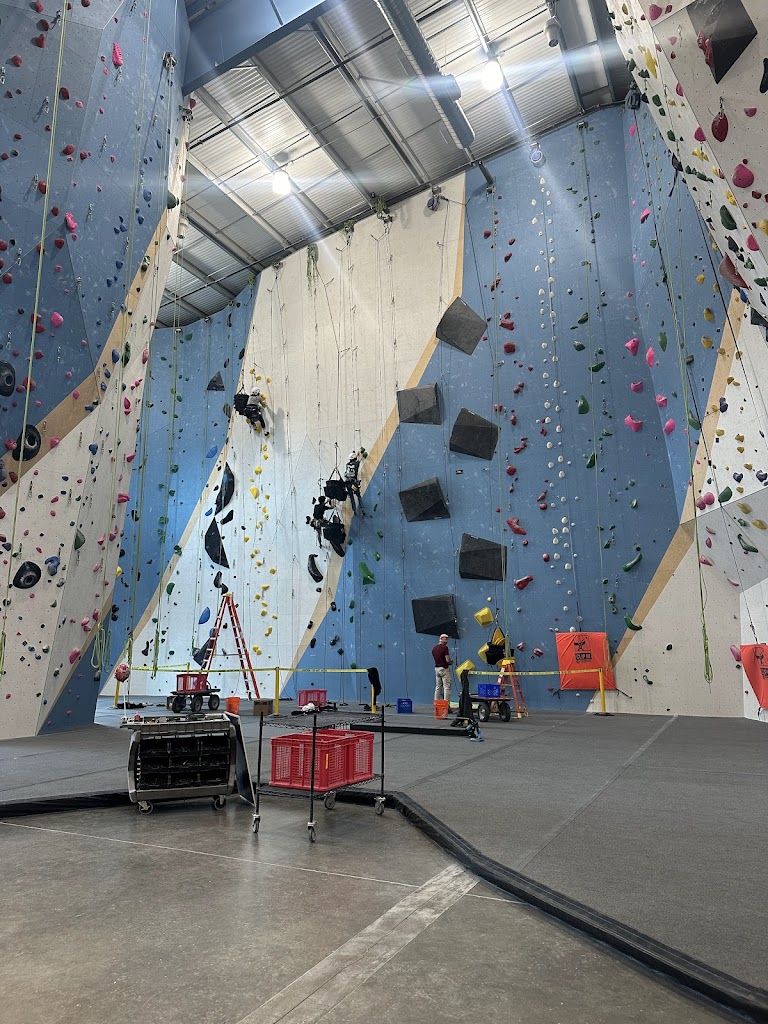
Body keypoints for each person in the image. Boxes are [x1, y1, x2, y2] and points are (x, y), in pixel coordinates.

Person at [432, 633, 453, 702]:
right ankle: (446, 704)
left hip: (437, 669)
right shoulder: (445, 648)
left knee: (438, 687)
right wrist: (451, 662)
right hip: (444, 669)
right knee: (447, 687)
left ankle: (436, 703)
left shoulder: (434, 648)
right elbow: (447, 660)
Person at [344, 449, 365, 513]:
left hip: (348, 484)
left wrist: (356, 454)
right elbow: (360, 458)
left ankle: (354, 510)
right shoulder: (356, 464)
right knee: (358, 495)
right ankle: (362, 509)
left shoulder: (347, 465)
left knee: (351, 497)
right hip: (354, 483)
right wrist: (361, 452)